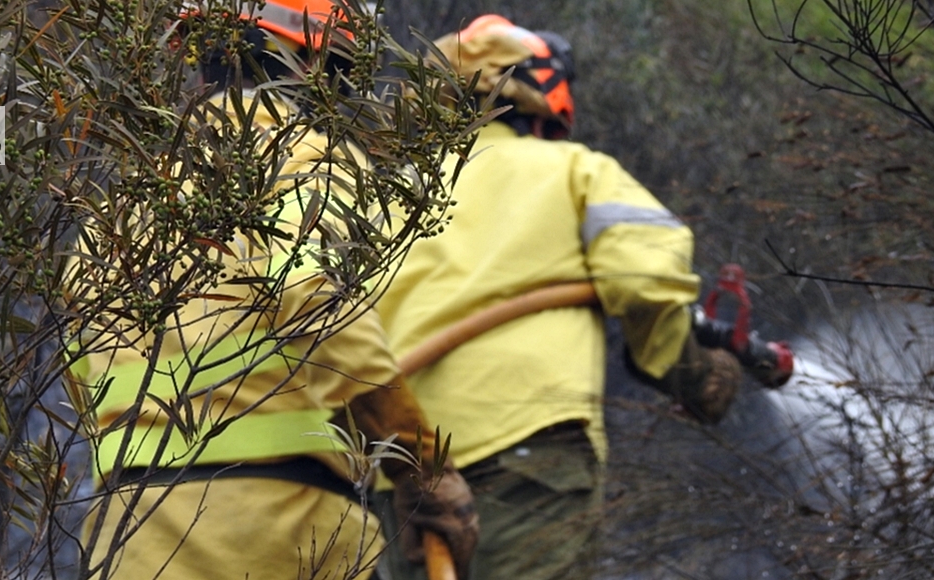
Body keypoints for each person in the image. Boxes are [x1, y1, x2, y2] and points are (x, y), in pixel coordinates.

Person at [75, 2, 478, 578]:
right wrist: (420, 466)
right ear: (309, 64)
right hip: (277, 521)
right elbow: (319, 299)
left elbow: (78, 359)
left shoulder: (128, 197)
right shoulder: (303, 161)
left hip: (128, 528)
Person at [373, 14, 743, 579]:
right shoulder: (575, 172)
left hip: (405, 471)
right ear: (544, 92)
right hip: (528, 448)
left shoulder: (384, 190)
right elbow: (646, 281)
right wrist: (692, 372)